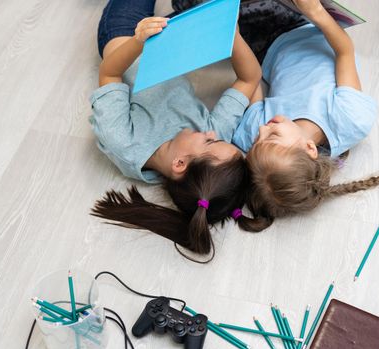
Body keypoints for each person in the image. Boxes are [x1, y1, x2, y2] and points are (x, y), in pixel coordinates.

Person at [225, 0, 379, 232]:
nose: (264, 128)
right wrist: (315, 10)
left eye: (258, 139)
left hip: (263, 44)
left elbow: (251, 77)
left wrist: (232, 31)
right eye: (272, 134)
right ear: (309, 148)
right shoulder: (349, 118)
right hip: (308, 24)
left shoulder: (256, 138)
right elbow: (344, 51)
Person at [90, 0, 261, 259]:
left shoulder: (124, 143)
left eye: (210, 142)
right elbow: (249, 78)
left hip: (126, 40)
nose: (212, 134)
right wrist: (232, 33)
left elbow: (110, 74)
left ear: (180, 163)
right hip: (175, 44)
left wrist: (138, 41)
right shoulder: (212, 140)